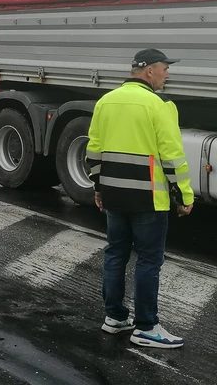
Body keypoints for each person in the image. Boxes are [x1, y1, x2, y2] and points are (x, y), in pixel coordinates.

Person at [86, 48, 194, 349]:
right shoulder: (159, 105)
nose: (167, 74)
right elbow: (173, 156)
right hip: (149, 199)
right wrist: (184, 195)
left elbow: (93, 150)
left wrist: (98, 187)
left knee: (116, 253)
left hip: (114, 195)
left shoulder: (105, 101)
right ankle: (146, 327)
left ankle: (115, 318)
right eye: (164, 69)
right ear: (149, 71)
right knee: (149, 260)